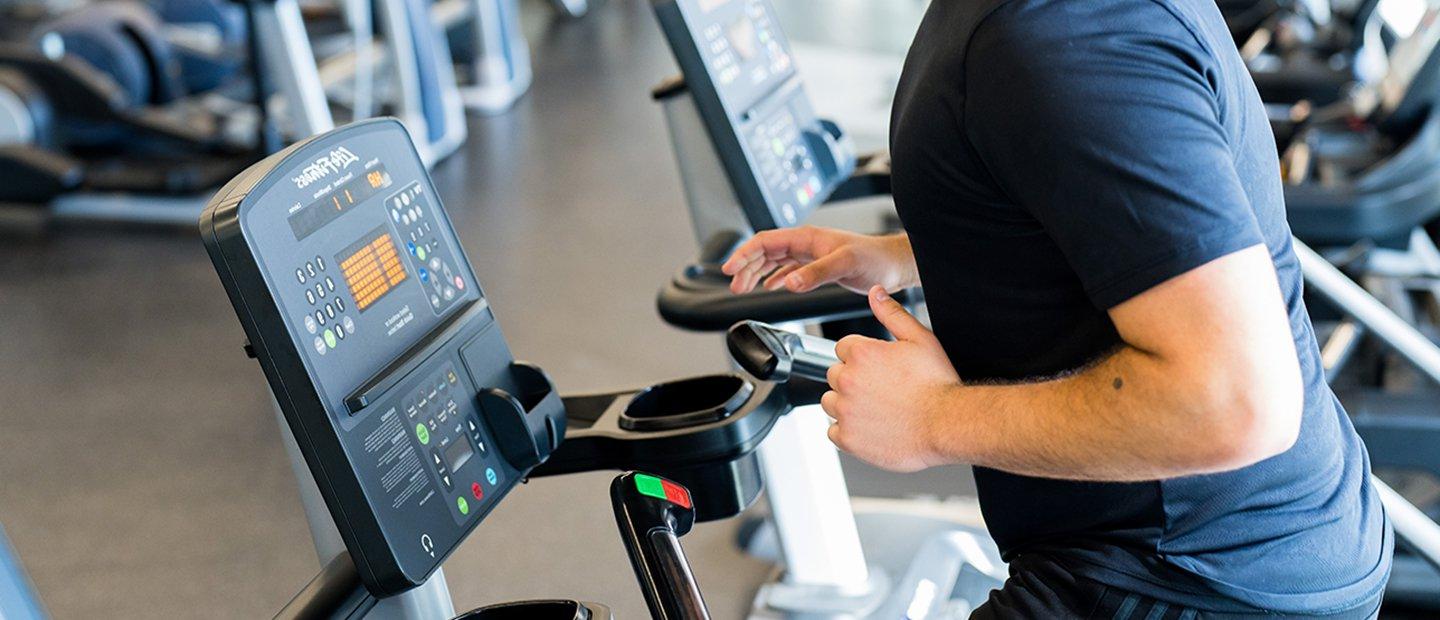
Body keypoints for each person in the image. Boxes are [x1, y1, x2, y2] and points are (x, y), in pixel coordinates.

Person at [720, 0, 1391, 617]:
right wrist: (935, 248)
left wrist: (928, 420)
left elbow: (1232, 400)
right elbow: (1127, 211)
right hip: (1202, 548)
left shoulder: (1061, 35)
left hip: (1191, 576)